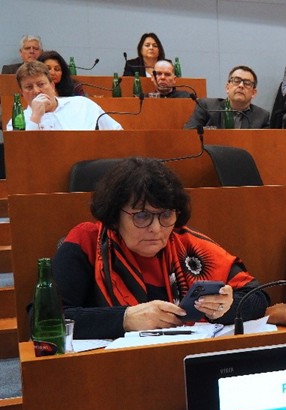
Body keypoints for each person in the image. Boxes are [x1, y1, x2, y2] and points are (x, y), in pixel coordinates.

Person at [52, 157, 270, 339]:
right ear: (115, 217)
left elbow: (258, 297)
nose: (156, 229)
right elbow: (48, 319)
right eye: (142, 216)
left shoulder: (187, 245)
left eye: (166, 215)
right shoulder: (87, 242)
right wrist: (125, 319)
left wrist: (227, 308)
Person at [6, 61, 122, 131]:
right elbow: (22, 153)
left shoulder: (83, 104)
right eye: (29, 87)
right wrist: (35, 118)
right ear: (21, 92)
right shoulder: (16, 122)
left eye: (41, 84)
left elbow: (116, 131)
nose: (36, 91)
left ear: (52, 85)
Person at [184, 65, 270, 130]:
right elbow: (189, 135)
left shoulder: (262, 116)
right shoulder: (206, 106)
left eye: (247, 83)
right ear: (227, 88)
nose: (241, 85)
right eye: (236, 81)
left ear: (254, 93)